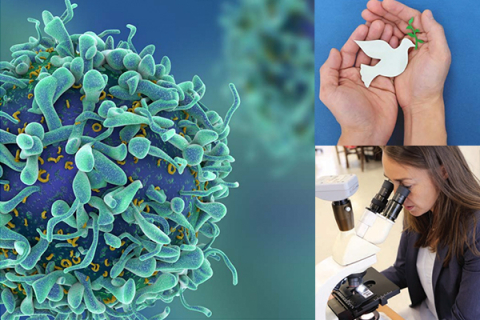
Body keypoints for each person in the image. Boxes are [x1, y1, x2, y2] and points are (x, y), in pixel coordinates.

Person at [319, 0, 451, 145]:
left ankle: (370, 73)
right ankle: (370, 73)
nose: (411, 45)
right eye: (409, 44)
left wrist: (422, 102)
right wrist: (363, 132)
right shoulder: (390, 51)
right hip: (379, 70)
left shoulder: (399, 55)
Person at [381, 146, 480, 320]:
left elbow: (465, 317)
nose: (398, 196)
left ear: (443, 171)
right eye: (391, 183)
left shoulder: (475, 231)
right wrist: (359, 288)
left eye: (406, 185)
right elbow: (403, 269)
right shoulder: (418, 210)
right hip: (426, 312)